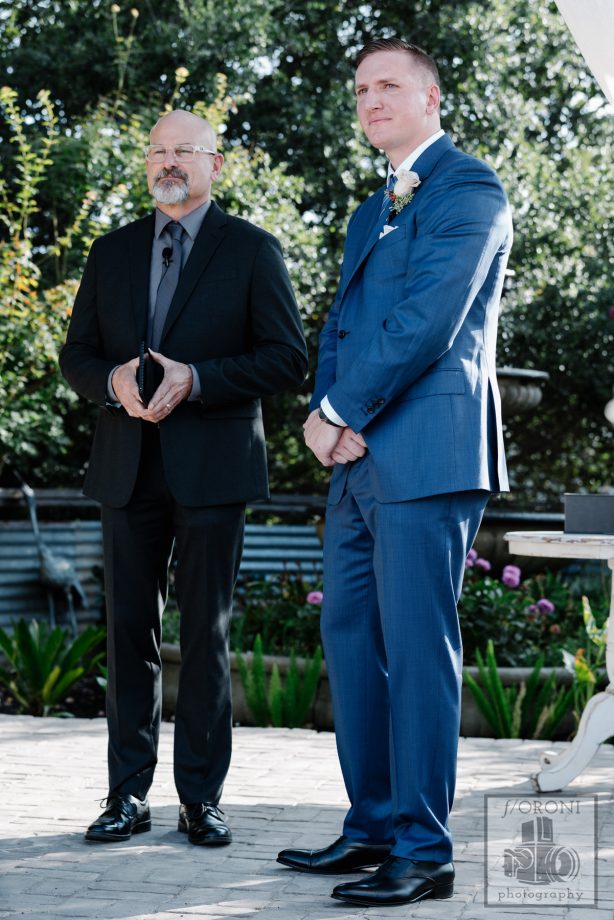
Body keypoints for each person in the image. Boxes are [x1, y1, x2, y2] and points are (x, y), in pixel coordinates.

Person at [277, 38, 511, 906]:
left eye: (388, 86)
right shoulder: (368, 208)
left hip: (424, 454)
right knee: (350, 643)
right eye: (361, 89)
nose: (371, 100)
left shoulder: (470, 188)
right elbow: (342, 328)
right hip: (354, 463)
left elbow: (428, 321)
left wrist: (337, 413)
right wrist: (326, 419)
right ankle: (372, 824)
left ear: (431, 99)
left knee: (417, 653)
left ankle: (426, 849)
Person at [60, 109, 307, 846]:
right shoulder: (110, 252)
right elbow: (76, 356)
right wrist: (111, 382)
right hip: (125, 467)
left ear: (216, 164)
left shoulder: (253, 251)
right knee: (127, 635)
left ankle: (201, 798)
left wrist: (197, 378)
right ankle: (126, 796)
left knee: (206, 634)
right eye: (157, 151)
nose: (169, 162)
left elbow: (287, 359)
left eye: (184, 151)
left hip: (214, 469)